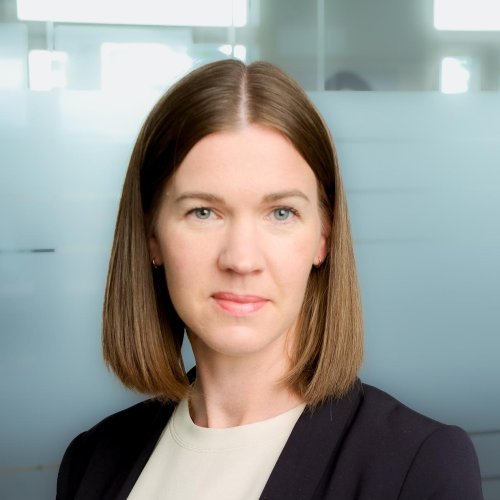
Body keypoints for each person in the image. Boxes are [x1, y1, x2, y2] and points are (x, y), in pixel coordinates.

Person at [56, 59, 483, 500]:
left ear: (323, 238)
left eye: (281, 213)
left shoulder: (415, 465)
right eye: (203, 212)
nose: (242, 260)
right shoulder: (92, 461)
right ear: (152, 237)